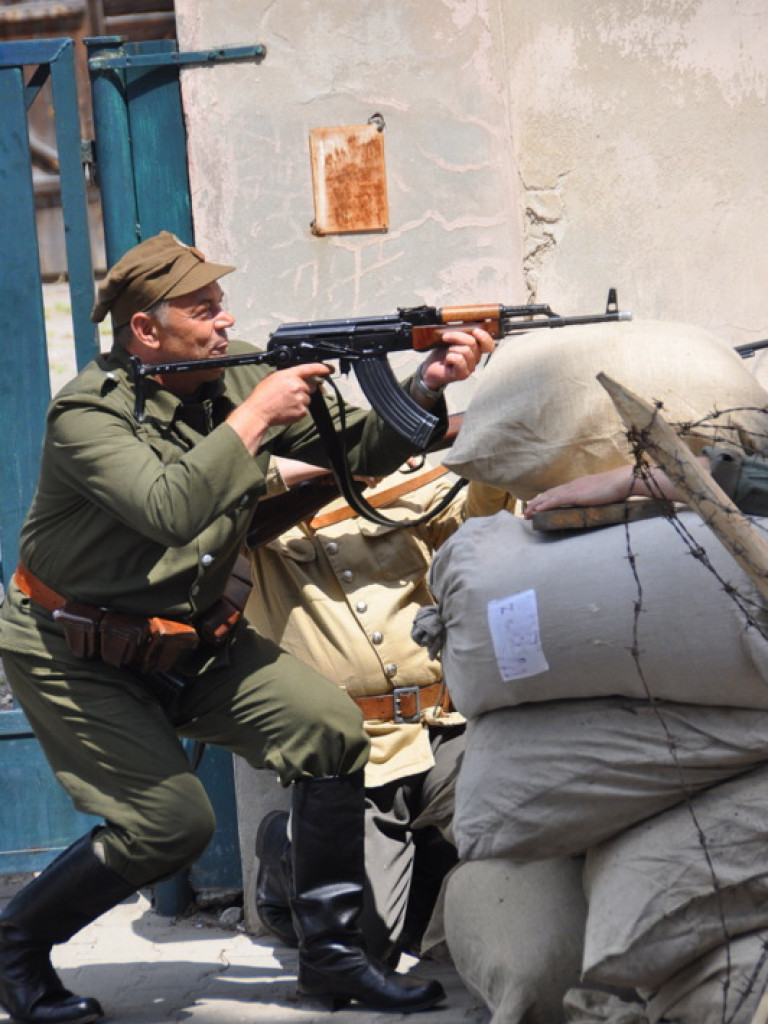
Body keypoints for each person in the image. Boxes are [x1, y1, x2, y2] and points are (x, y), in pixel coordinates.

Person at [0, 231, 493, 1024]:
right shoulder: (87, 416)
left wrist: (425, 387)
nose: (225, 321)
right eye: (203, 310)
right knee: (170, 827)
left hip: (193, 635)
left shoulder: (241, 372)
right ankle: (16, 944)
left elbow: (361, 450)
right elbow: (171, 508)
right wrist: (259, 414)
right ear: (146, 332)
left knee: (330, 733)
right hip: (75, 648)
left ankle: (334, 962)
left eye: (222, 304)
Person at [247, 457, 513, 965]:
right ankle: (286, 852)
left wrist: (488, 451)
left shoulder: (396, 486)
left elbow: (479, 528)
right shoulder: (254, 509)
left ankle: (427, 909)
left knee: (506, 814)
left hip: (447, 724)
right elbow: (198, 500)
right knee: (363, 952)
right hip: (355, 751)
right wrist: (312, 468)